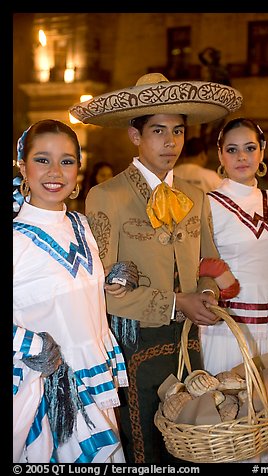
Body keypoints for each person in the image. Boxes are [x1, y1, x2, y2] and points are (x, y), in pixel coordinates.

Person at [69, 72, 243, 463]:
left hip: (187, 339)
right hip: (134, 341)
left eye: (178, 131)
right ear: (135, 136)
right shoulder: (106, 196)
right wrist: (178, 301)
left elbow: (209, 264)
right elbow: (103, 287)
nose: (170, 142)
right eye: (158, 131)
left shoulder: (196, 196)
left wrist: (208, 296)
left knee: (190, 434)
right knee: (144, 441)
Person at [13, 119, 129, 463]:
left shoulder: (82, 225)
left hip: (96, 387)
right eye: (42, 159)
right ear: (23, 167)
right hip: (47, 397)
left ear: (78, 169)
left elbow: (67, 289)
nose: (55, 171)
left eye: (66, 161)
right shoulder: (15, 237)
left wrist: (107, 279)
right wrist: (30, 344)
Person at [199, 117, 268, 463]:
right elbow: (186, 257)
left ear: (262, 151)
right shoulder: (206, 203)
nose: (242, 156)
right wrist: (216, 273)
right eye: (232, 149)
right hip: (227, 321)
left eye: (250, 147)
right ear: (220, 154)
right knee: (230, 402)